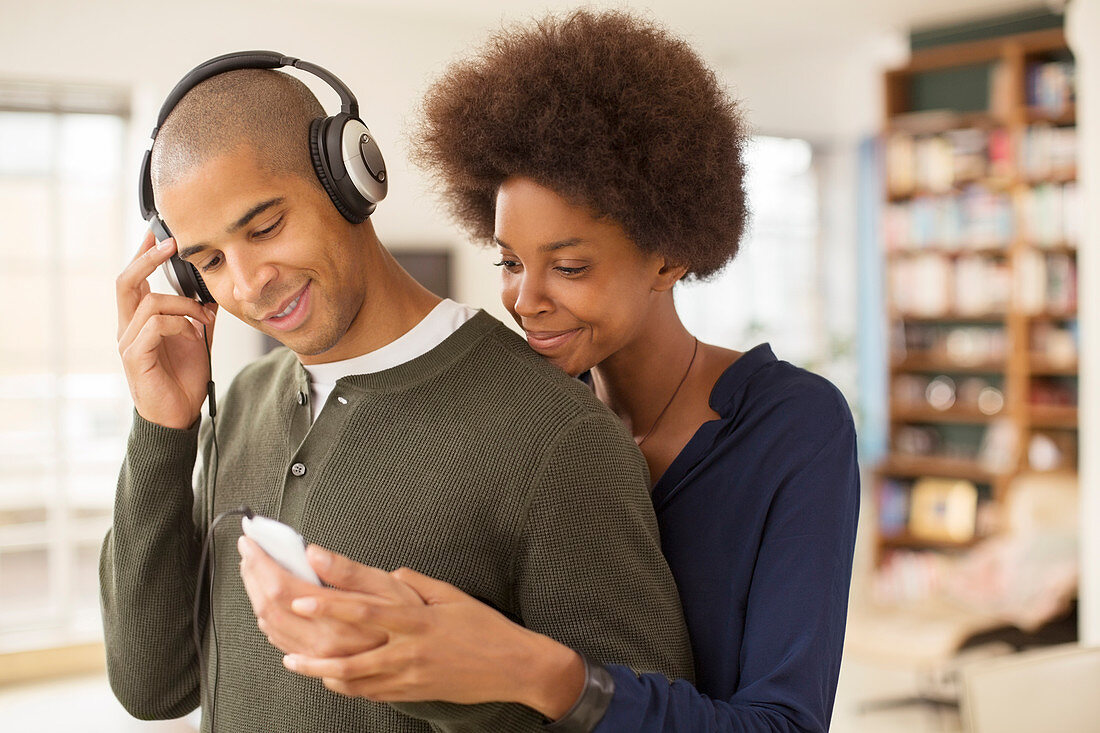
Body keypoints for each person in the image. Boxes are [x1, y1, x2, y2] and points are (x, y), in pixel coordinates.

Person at [242, 10, 861, 733]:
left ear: (669, 254)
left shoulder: (793, 427)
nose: (524, 300)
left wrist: (535, 669)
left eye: (568, 266)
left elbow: (784, 723)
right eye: (508, 260)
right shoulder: (525, 420)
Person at [101, 54, 694, 733]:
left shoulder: (558, 434)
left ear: (349, 178)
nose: (247, 283)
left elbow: (638, 716)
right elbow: (152, 686)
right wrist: (160, 430)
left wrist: (448, 676)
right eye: (208, 260)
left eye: (265, 227)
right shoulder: (238, 401)